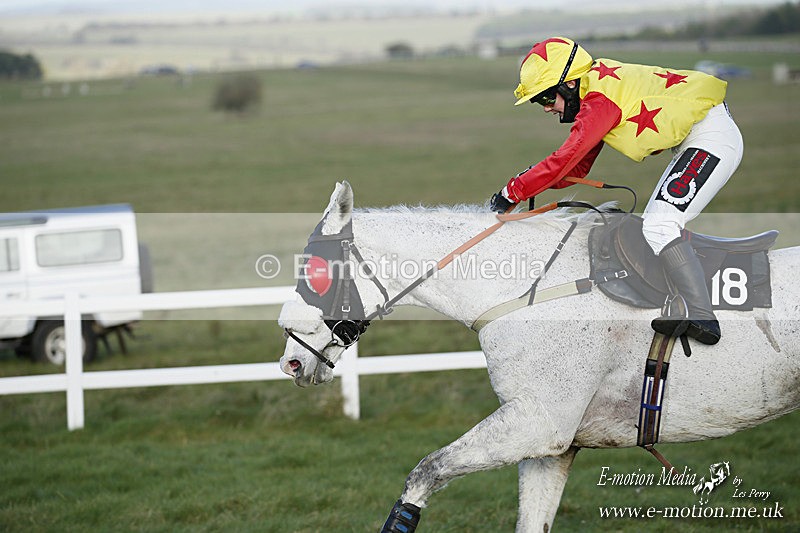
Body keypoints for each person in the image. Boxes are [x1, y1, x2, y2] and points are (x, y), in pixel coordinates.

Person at [489, 37, 743, 345]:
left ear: (568, 84)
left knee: (660, 224)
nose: (545, 109)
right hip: (697, 138)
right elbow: (576, 170)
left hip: (711, 137)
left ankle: (703, 318)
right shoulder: (596, 89)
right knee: (656, 223)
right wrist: (529, 181)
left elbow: (563, 162)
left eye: (545, 98)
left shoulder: (599, 102)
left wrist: (511, 191)